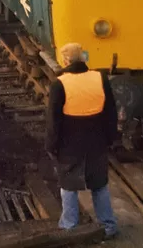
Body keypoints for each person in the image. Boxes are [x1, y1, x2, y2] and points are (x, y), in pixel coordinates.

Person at [46, 43, 119, 240]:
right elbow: (111, 111)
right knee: (99, 184)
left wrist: (51, 145)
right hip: (97, 140)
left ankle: (69, 227)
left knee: (68, 185)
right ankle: (108, 225)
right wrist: (111, 138)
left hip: (70, 143)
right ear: (83, 59)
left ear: (66, 60)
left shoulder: (59, 84)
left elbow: (54, 120)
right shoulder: (100, 78)